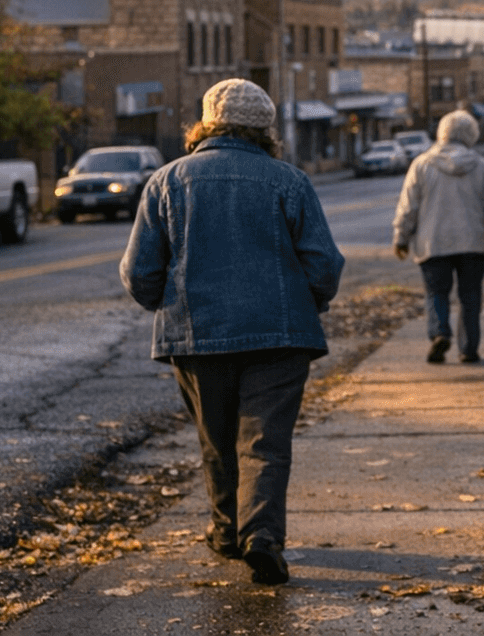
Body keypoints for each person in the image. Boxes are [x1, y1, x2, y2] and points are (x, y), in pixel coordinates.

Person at [121, 79, 344, 586]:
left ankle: (226, 532)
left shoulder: (167, 182)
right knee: (265, 443)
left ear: (204, 125)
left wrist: (167, 303)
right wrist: (312, 302)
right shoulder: (288, 181)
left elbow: (139, 272)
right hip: (280, 332)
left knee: (217, 440)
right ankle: (261, 537)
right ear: (265, 129)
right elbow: (323, 264)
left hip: (197, 335)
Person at [392, 109, 484, 363]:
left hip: (432, 242)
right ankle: (468, 349)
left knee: (436, 292)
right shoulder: (479, 165)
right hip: (473, 243)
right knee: (470, 296)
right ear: (471, 134)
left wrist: (401, 238)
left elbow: (408, 206)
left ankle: (439, 333)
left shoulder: (421, 164)